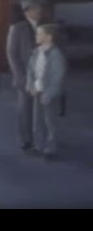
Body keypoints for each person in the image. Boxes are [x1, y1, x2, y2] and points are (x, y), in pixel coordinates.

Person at [6, 0, 43, 152]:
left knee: (41, 110)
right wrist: (20, 77)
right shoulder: (18, 28)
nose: (39, 11)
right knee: (25, 110)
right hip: (25, 78)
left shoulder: (45, 27)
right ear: (28, 11)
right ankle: (26, 140)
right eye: (36, 9)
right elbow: (12, 54)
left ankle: (40, 138)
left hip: (42, 76)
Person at [26, 24, 67, 160]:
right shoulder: (37, 52)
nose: (36, 36)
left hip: (49, 93)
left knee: (50, 121)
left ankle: (50, 149)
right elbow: (31, 70)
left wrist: (49, 94)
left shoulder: (56, 55)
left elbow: (57, 77)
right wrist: (31, 85)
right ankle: (39, 146)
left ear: (48, 37)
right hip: (38, 90)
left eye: (39, 34)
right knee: (37, 121)